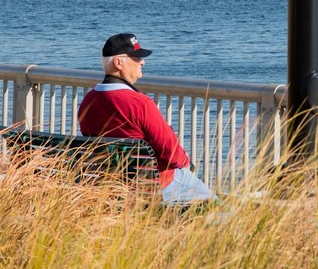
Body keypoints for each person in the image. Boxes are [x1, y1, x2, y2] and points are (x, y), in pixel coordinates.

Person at [79, 33, 217, 204]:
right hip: (154, 184)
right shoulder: (140, 104)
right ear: (118, 63)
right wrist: (186, 163)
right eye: (136, 58)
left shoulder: (88, 101)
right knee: (216, 207)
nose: (142, 62)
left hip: (113, 184)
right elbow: (171, 153)